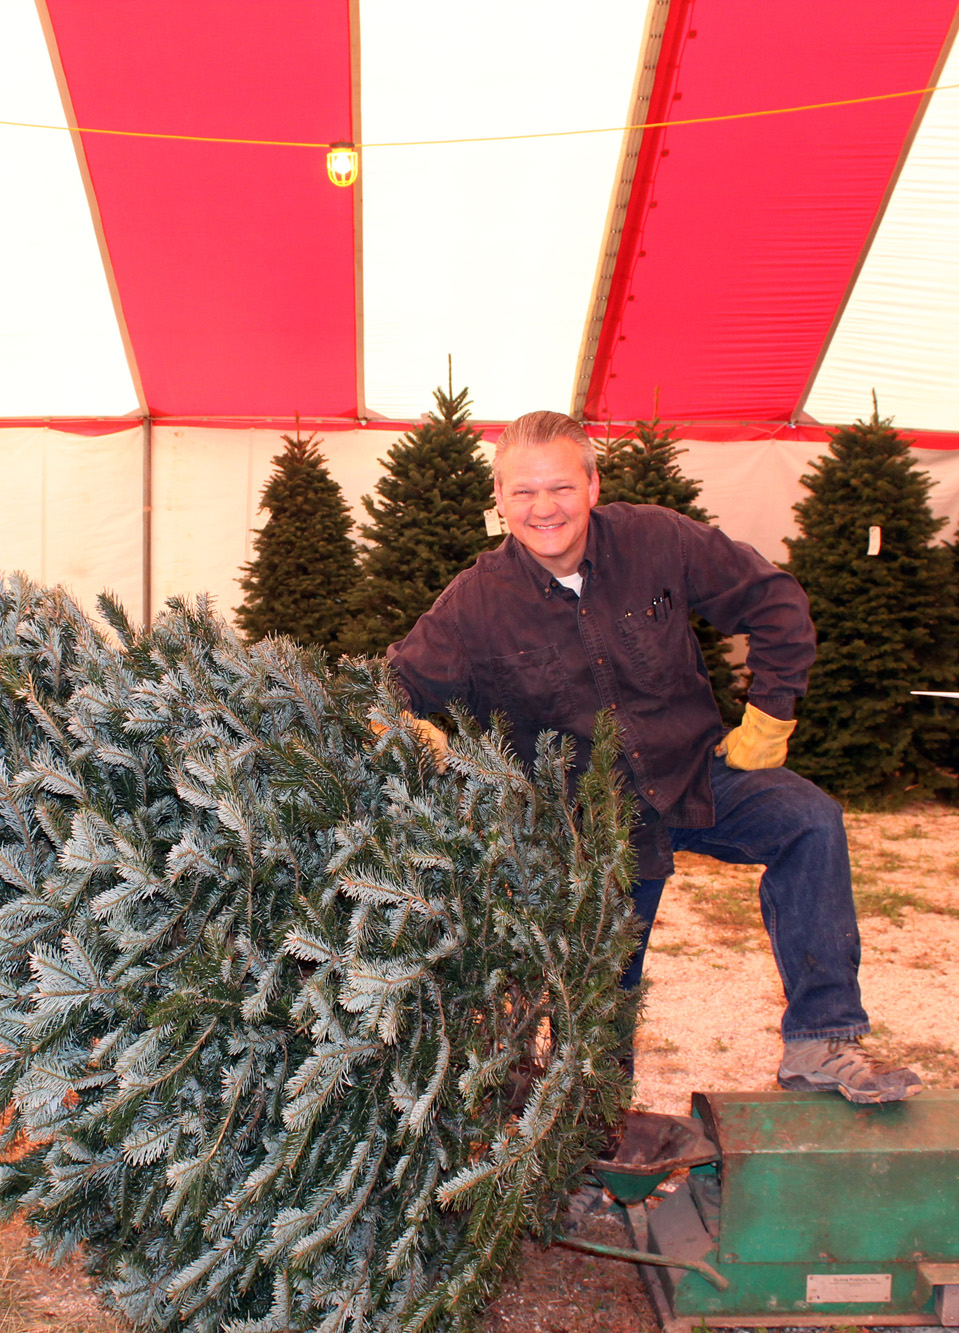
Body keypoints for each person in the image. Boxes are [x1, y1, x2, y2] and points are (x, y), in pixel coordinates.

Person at [387, 410, 919, 1105]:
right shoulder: (476, 603)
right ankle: (594, 1130)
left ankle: (820, 1040)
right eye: (523, 492)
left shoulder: (656, 541)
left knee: (809, 821)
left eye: (561, 487)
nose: (544, 507)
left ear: (593, 483)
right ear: (499, 498)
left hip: (694, 770)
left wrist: (773, 712)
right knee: (607, 996)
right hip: (592, 818)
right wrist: (407, 729)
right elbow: (389, 686)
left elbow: (773, 598)